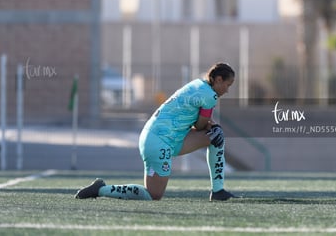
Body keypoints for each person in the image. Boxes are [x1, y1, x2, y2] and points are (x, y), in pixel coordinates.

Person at [75, 62, 237, 201]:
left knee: (215, 136)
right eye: (227, 85)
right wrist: (210, 125)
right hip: (160, 142)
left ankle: (218, 191)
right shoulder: (210, 95)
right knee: (152, 195)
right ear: (218, 80)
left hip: (163, 137)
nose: (227, 90)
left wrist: (210, 126)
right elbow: (200, 126)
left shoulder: (198, 84)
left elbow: (199, 124)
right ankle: (101, 189)